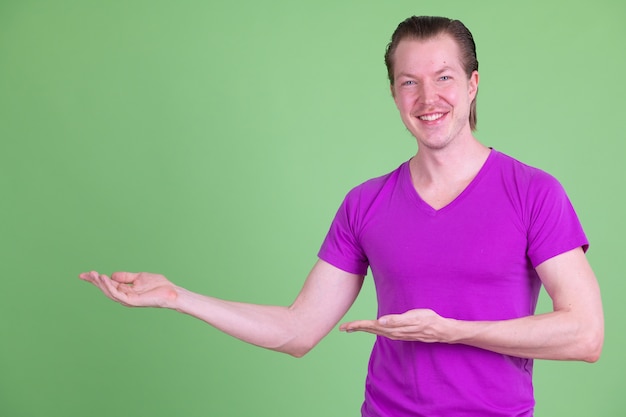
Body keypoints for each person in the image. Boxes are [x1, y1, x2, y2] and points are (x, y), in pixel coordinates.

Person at [79, 15, 604, 417]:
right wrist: (178, 297)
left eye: (443, 77)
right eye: (408, 82)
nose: (428, 98)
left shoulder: (533, 192)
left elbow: (584, 334)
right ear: (394, 93)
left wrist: (452, 330)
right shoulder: (366, 204)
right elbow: (298, 330)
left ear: (472, 85)